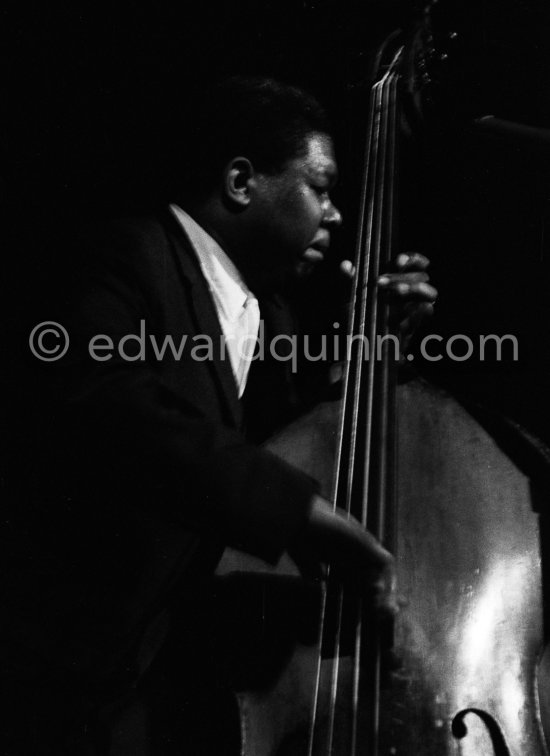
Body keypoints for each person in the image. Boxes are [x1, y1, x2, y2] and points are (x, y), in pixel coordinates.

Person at [1, 76, 437, 754]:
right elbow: (113, 404)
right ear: (241, 181)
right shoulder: (125, 256)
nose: (337, 215)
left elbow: (270, 442)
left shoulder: (271, 318)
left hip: (156, 693)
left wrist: (368, 358)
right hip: (54, 676)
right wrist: (301, 513)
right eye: (320, 188)